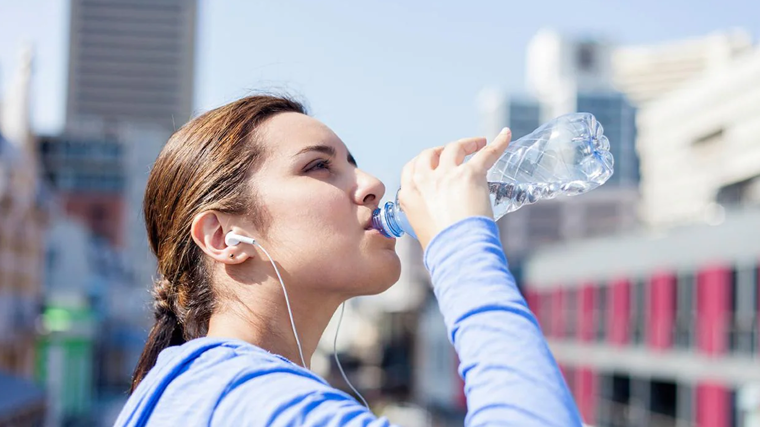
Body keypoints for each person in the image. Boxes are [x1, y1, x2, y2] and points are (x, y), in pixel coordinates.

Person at [115, 95, 582, 426]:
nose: (373, 183)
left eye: (353, 163)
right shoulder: (247, 400)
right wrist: (462, 244)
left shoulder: (203, 393)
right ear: (223, 237)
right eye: (319, 166)